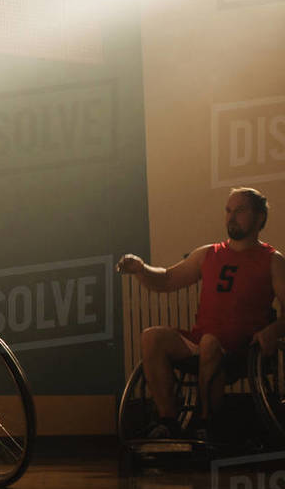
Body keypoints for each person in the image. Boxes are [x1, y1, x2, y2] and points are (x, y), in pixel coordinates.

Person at [117, 187, 285, 441]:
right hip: (202, 341)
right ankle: (168, 421)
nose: (231, 217)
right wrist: (141, 269)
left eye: (239, 211)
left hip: (243, 349)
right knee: (152, 337)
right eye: (228, 210)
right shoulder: (209, 253)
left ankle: (205, 423)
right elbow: (167, 279)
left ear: (260, 217)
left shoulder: (272, 260)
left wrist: (274, 329)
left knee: (209, 342)